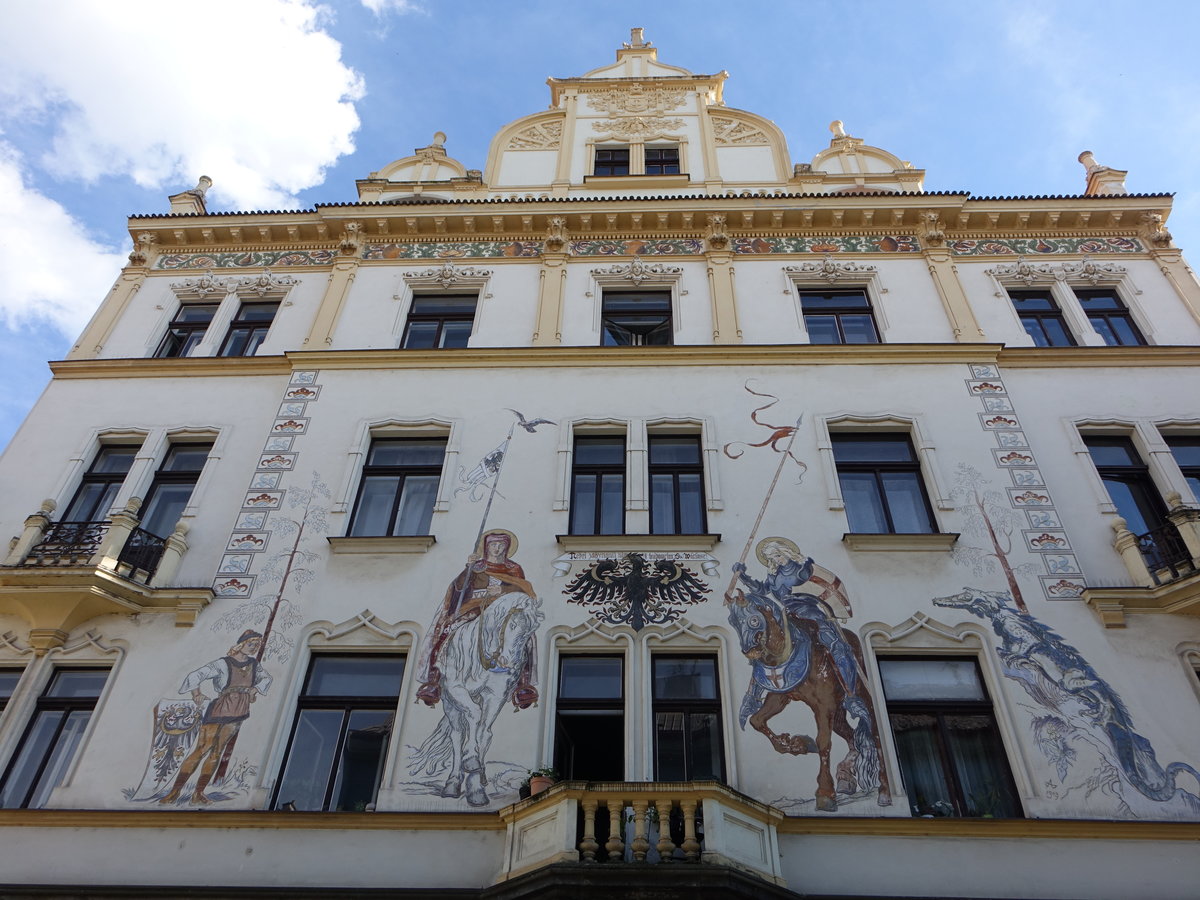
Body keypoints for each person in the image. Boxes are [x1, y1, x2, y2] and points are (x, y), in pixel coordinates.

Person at [415, 530, 538, 709]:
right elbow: (458, 588)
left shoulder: (514, 568)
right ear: (486, 548)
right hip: (474, 605)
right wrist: (468, 569)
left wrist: (504, 590)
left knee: (525, 637)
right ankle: (434, 681)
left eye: (500, 545)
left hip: (504, 607)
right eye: (493, 545)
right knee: (448, 631)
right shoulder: (477, 566)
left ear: (507, 547)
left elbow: (524, 590)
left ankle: (523, 685)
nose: (496, 549)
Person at [731, 538, 861, 701]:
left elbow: (810, 581)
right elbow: (762, 589)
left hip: (809, 613)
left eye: (777, 555)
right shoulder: (774, 576)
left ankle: (851, 693)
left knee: (837, 645)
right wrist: (743, 576)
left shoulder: (802, 569)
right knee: (766, 645)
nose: (775, 560)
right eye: (771, 558)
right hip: (788, 615)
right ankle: (753, 696)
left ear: (786, 552)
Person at [159, 630, 272, 805]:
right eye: (251, 644)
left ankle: (198, 793)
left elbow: (266, 679)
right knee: (202, 748)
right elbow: (196, 675)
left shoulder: (254, 665)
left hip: (238, 709)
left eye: (256, 645)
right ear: (241, 645)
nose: (254, 648)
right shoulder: (223, 664)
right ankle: (175, 791)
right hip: (220, 707)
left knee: (218, 751)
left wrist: (254, 690)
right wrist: (196, 693)